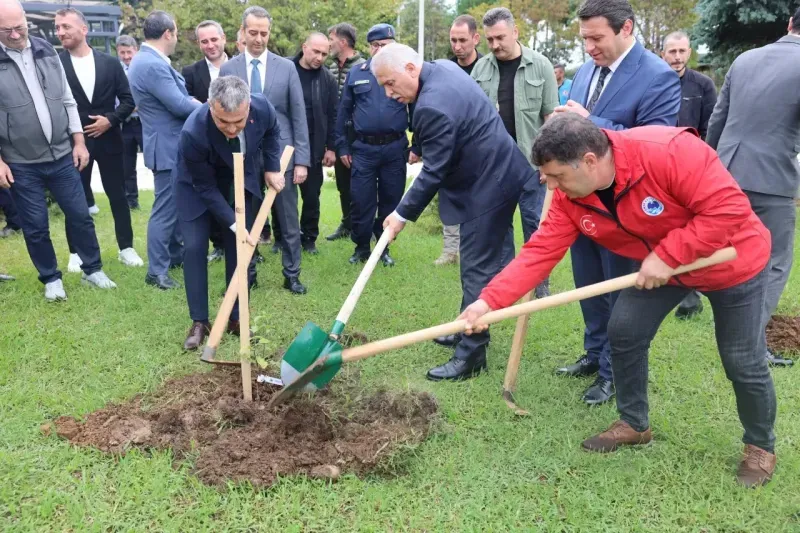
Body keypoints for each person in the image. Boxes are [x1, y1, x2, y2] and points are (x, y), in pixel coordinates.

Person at [461, 113, 776, 488]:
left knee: (742, 359)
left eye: (558, 175)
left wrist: (669, 255)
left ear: (590, 161)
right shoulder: (569, 196)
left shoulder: (669, 151)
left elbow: (729, 210)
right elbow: (540, 251)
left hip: (730, 260)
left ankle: (760, 446)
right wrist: (489, 302)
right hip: (662, 267)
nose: (551, 185)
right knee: (624, 330)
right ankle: (634, 423)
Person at [372, 43, 534, 380]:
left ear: (411, 68)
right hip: (502, 171)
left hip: (488, 186)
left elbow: (434, 171)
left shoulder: (433, 104)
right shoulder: (442, 70)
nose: (389, 94)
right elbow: (443, 128)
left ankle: (472, 354)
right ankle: (467, 325)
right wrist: (419, 145)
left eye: (390, 83)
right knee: (483, 265)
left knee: (476, 268)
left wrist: (400, 215)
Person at [552, 0, 680, 406]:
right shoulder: (588, 68)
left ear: (626, 29)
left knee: (617, 289)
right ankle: (594, 352)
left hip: (625, 206)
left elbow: (653, 141)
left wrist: (588, 121)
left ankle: (612, 371)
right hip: (581, 198)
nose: (588, 47)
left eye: (596, 37)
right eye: (584, 38)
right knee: (588, 284)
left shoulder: (658, 76)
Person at [0, 0, 116, 301]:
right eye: (6, 30)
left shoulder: (47, 50)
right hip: (21, 162)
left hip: (62, 155)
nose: (14, 35)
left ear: (26, 21)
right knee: (35, 226)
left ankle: (93, 270)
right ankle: (51, 279)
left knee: (80, 215)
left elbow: (67, 99)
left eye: (19, 27)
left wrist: (78, 141)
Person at [706, 8, 800, 368]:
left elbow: (718, 117)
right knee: (774, 262)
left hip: (726, 173)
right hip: (773, 179)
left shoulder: (745, 59)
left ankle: (730, 325)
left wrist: (711, 165)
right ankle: (749, 344)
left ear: (789, 24)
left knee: (728, 251)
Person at [176, 76, 282, 350]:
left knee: (241, 249)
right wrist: (234, 223)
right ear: (211, 107)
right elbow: (206, 187)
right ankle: (200, 321)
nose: (233, 129)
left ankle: (236, 318)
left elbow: (272, 132)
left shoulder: (263, 108)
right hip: (197, 186)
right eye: (224, 122)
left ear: (248, 106)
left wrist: (271, 167)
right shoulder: (194, 132)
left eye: (239, 121)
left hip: (239, 181)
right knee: (195, 247)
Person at [471, 7, 559, 298]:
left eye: (500, 38)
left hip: (531, 165)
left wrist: (551, 164)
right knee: (498, 226)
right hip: (493, 166)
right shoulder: (480, 69)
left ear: (515, 32)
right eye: (489, 40)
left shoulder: (541, 65)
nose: (495, 45)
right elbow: (472, 120)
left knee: (535, 225)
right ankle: (507, 280)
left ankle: (540, 282)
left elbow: (551, 120)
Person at [221, 5, 309, 295]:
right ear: (243, 33)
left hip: (281, 157)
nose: (259, 39)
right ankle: (247, 273)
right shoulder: (229, 68)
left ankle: (292, 274)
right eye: (253, 33)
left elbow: (298, 115)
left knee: (288, 219)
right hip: (242, 157)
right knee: (245, 218)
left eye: (264, 33)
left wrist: (301, 161)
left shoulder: (286, 68)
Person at [55, 8, 144, 273]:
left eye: (66, 27)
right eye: (57, 27)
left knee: (119, 196)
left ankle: (126, 248)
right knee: (75, 199)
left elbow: (129, 100)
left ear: (84, 29)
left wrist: (111, 120)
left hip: (110, 140)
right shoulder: (55, 64)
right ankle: (75, 253)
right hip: (74, 144)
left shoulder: (109, 63)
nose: (60, 32)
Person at [128, 10, 202, 291]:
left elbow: (177, 100)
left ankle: (174, 258)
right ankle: (156, 271)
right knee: (166, 210)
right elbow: (180, 106)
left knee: (174, 205)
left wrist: (189, 100)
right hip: (168, 146)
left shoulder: (147, 61)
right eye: (176, 32)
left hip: (168, 143)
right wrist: (211, 107)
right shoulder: (152, 64)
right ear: (168, 33)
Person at [336, 24, 416, 267]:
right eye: (375, 46)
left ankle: (383, 249)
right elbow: (343, 112)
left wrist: (418, 145)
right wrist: (342, 147)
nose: (379, 50)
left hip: (394, 148)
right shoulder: (357, 73)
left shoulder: (404, 74)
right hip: (364, 149)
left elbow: (417, 110)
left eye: (385, 45)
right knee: (361, 201)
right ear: (369, 47)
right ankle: (361, 247)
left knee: (391, 200)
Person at [660, 30, 718, 320]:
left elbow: (711, 126)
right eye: (672, 52)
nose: (678, 57)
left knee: (690, 227)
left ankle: (692, 295)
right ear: (663, 54)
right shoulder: (654, 83)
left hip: (691, 169)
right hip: (657, 168)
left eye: (682, 51)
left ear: (689, 53)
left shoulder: (703, 85)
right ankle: (666, 285)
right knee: (661, 224)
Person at [434, 14, 483, 268]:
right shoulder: (444, 69)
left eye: (462, 40)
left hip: (479, 146)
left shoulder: (488, 68)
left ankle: (472, 250)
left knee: (478, 199)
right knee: (450, 197)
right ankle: (450, 250)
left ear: (475, 38)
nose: (457, 45)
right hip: (450, 145)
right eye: (453, 40)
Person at [182, 20, 229, 264]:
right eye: (204, 41)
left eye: (214, 39)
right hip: (207, 148)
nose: (210, 45)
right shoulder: (190, 72)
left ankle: (247, 244)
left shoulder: (239, 64)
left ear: (224, 39)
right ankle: (219, 245)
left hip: (237, 144)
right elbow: (186, 105)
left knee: (241, 195)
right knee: (211, 196)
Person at [291, 32, 338, 254]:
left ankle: (309, 238)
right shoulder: (286, 69)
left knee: (311, 197)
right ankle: (283, 238)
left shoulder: (327, 78)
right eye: (316, 51)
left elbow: (333, 114)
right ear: (304, 47)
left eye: (324, 54)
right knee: (282, 195)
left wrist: (331, 147)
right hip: (287, 143)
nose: (320, 57)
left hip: (315, 146)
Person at [326, 22, 366, 242]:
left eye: (331, 38)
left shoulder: (363, 66)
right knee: (343, 183)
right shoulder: (329, 67)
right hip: (337, 134)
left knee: (361, 183)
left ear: (342, 41)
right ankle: (347, 223)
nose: (329, 43)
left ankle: (364, 224)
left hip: (359, 135)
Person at [116, 35, 143, 211]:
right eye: (122, 53)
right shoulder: (116, 71)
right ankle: (131, 201)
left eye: (129, 52)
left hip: (143, 122)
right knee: (127, 165)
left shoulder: (142, 68)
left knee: (153, 161)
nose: (126, 56)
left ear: (136, 50)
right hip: (125, 124)